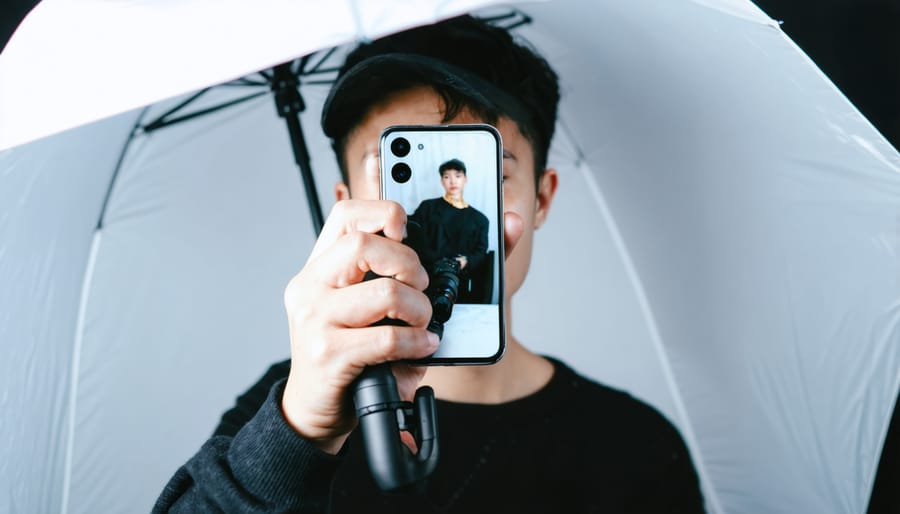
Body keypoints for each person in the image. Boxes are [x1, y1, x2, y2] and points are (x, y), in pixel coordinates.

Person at [154, 14, 705, 513]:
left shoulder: (636, 448)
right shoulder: (287, 409)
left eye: (490, 172)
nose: (424, 210)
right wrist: (296, 437)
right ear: (345, 207)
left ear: (540, 198)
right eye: (396, 175)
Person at [409, 158, 490, 303]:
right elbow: (413, 233)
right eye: (447, 177)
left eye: (457, 176)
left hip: (460, 281)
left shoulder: (480, 219)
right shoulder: (427, 208)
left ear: (465, 179)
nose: (453, 181)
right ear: (442, 181)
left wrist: (466, 261)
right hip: (426, 276)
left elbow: (481, 252)